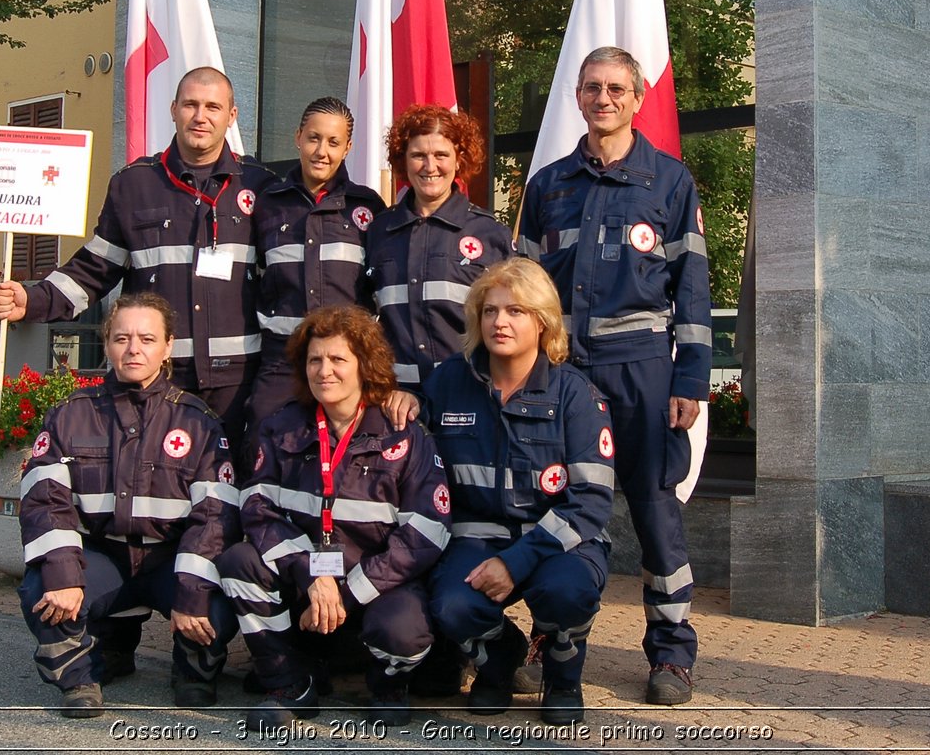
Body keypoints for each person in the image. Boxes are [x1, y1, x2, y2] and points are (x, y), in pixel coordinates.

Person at [517, 45, 712, 705]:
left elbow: (691, 288)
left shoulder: (670, 181)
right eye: (592, 88)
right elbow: (524, 287)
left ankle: (672, 653)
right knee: (557, 504)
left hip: (645, 375)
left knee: (657, 513)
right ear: (578, 96)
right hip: (566, 377)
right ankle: (554, 636)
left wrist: (690, 381)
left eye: (616, 89)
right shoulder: (548, 185)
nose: (604, 99)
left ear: (636, 99)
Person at [0, 66, 272, 445]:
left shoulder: (262, 185)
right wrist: (34, 299)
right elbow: (95, 268)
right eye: (190, 104)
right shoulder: (134, 184)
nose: (200, 116)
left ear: (231, 115)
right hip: (157, 378)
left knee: (232, 493)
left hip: (238, 383)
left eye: (212, 107)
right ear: (173, 109)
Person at [218, 306, 450, 730]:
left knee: (403, 631)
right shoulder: (281, 426)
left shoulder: (403, 433)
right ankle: (289, 684)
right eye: (315, 360)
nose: (325, 371)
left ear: (365, 366)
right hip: (307, 587)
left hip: (377, 586)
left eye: (338, 359)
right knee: (238, 562)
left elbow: (426, 534)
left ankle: (388, 686)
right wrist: (309, 573)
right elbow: (257, 507)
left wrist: (345, 594)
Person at [17, 292, 240, 718]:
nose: (133, 348)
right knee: (42, 589)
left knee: (216, 606)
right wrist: (64, 574)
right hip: (104, 555)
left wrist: (191, 593)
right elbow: (45, 502)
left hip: (171, 561)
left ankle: (193, 671)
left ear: (168, 346)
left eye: (146, 338)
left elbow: (216, 516)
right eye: (122, 338)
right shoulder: (69, 415)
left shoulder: (198, 421)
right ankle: (81, 675)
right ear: (107, 344)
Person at [423, 259, 613, 726]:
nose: (499, 322)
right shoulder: (448, 384)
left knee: (567, 593)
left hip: (557, 542)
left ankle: (563, 676)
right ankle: (500, 658)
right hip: (477, 539)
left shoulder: (576, 395)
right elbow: (423, 478)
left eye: (516, 311)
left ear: (542, 321)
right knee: (450, 605)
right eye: (489, 311)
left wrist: (517, 560)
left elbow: (590, 501)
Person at [249, 97, 385, 426]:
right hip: (281, 363)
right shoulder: (268, 204)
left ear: (348, 147)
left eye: (333, 142)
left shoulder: (367, 207)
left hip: (345, 364)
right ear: (298, 137)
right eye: (314, 138)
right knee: (264, 446)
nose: (321, 151)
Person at [363, 104, 512, 389]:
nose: (430, 167)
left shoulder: (490, 233)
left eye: (441, 155)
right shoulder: (379, 232)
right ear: (403, 161)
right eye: (418, 155)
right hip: (397, 399)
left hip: (469, 392)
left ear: (459, 160)